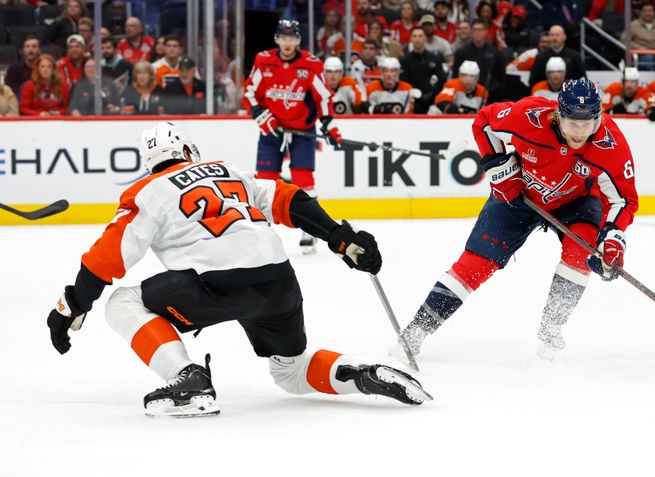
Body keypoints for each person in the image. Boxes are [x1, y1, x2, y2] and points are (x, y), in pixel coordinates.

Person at [46, 121, 431, 418]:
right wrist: (339, 237)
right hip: (279, 282)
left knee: (121, 302)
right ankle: (361, 373)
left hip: (217, 286)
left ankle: (188, 378)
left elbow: (107, 257)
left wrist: (73, 304)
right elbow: (288, 197)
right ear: (186, 150)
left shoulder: (147, 190)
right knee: (292, 373)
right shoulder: (228, 171)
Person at [398, 80, 638, 361]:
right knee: (476, 263)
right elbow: (484, 122)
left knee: (581, 252)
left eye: (588, 124)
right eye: (573, 123)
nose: (580, 133)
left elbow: (624, 200)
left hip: (577, 202)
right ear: (558, 114)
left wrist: (612, 239)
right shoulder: (528, 116)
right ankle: (417, 329)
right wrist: (499, 168)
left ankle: (552, 327)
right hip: (518, 195)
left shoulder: (611, 144)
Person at [242, 20, 342, 254]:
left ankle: (311, 229)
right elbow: (249, 92)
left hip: (302, 130)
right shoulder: (263, 59)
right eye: (283, 38)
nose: (288, 43)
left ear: (298, 40)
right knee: (264, 180)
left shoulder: (310, 64)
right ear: (277, 39)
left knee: (303, 180)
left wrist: (328, 123)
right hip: (271, 129)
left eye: (292, 38)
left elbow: (323, 97)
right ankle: (262, 230)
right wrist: (260, 114)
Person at [453, 19, 505, 99]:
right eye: (474, 30)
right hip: (466, 93)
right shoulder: (461, 52)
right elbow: (456, 76)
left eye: (480, 30)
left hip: (491, 94)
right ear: (471, 32)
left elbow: (501, 76)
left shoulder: (496, 53)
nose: (477, 32)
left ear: (486, 31)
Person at [401, 27, 447, 113]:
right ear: (411, 39)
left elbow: (441, 79)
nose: (417, 39)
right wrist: (419, 95)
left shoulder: (435, 58)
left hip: (433, 101)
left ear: (425, 38)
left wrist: (431, 95)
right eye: (414, 36)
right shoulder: (405, 60)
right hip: (413, 101)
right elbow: (404, 81)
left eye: (420, 36)